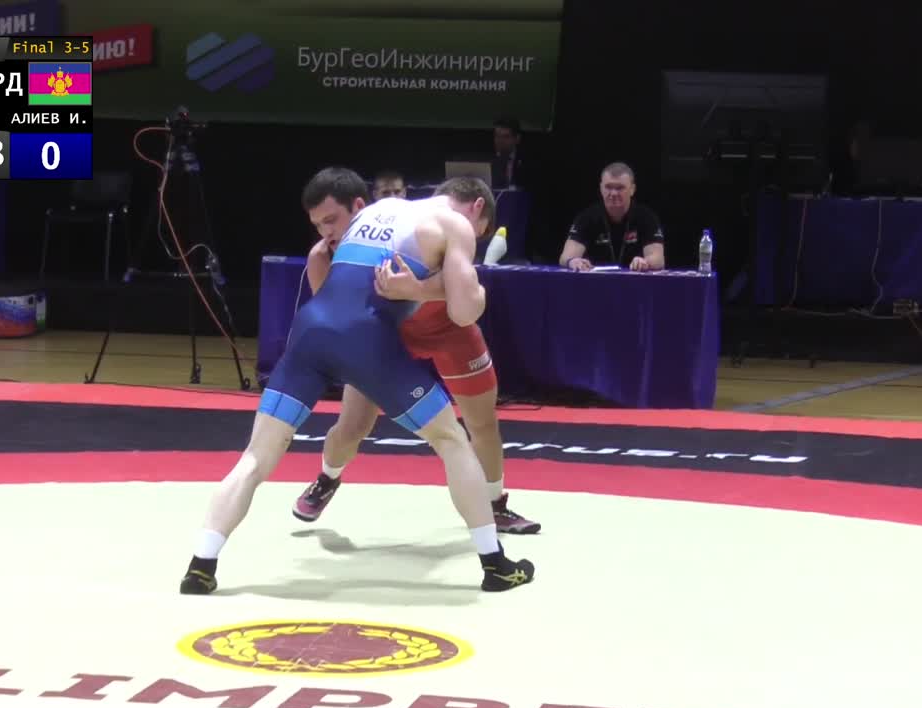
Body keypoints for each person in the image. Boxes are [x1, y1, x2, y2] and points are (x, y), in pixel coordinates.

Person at [180, 168, 535, 595]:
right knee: (452, 440)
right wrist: (458, 290)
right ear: (475, 209)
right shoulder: (453, 224)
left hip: (310, 333)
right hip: (368, 341)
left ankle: (201, 566)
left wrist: (419, 287)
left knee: (256, 456)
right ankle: (496, 566)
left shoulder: (378, 210)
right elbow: (462, 312)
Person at [295, 178, 540, 535]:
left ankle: (495, 504)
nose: (326, 231)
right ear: (477, 208)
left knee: (483, 422)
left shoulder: (442, 228)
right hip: (388, 336)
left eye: (330, 221)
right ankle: (327, 478)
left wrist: (418, 289)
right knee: (352, 428)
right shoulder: (331, 253)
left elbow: (463, 296)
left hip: (450, 331)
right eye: (320, 224)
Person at [559, 162, 665, 272]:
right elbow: (565, 257)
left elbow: (658, 259)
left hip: (635, 279)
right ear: (601, 188)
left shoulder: (647, 217)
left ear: (632, 189)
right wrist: (573, 261)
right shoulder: (586, 218)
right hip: (597, 280)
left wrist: (645, 262)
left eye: (620, 188)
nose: (613, 193)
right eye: (608, 187)